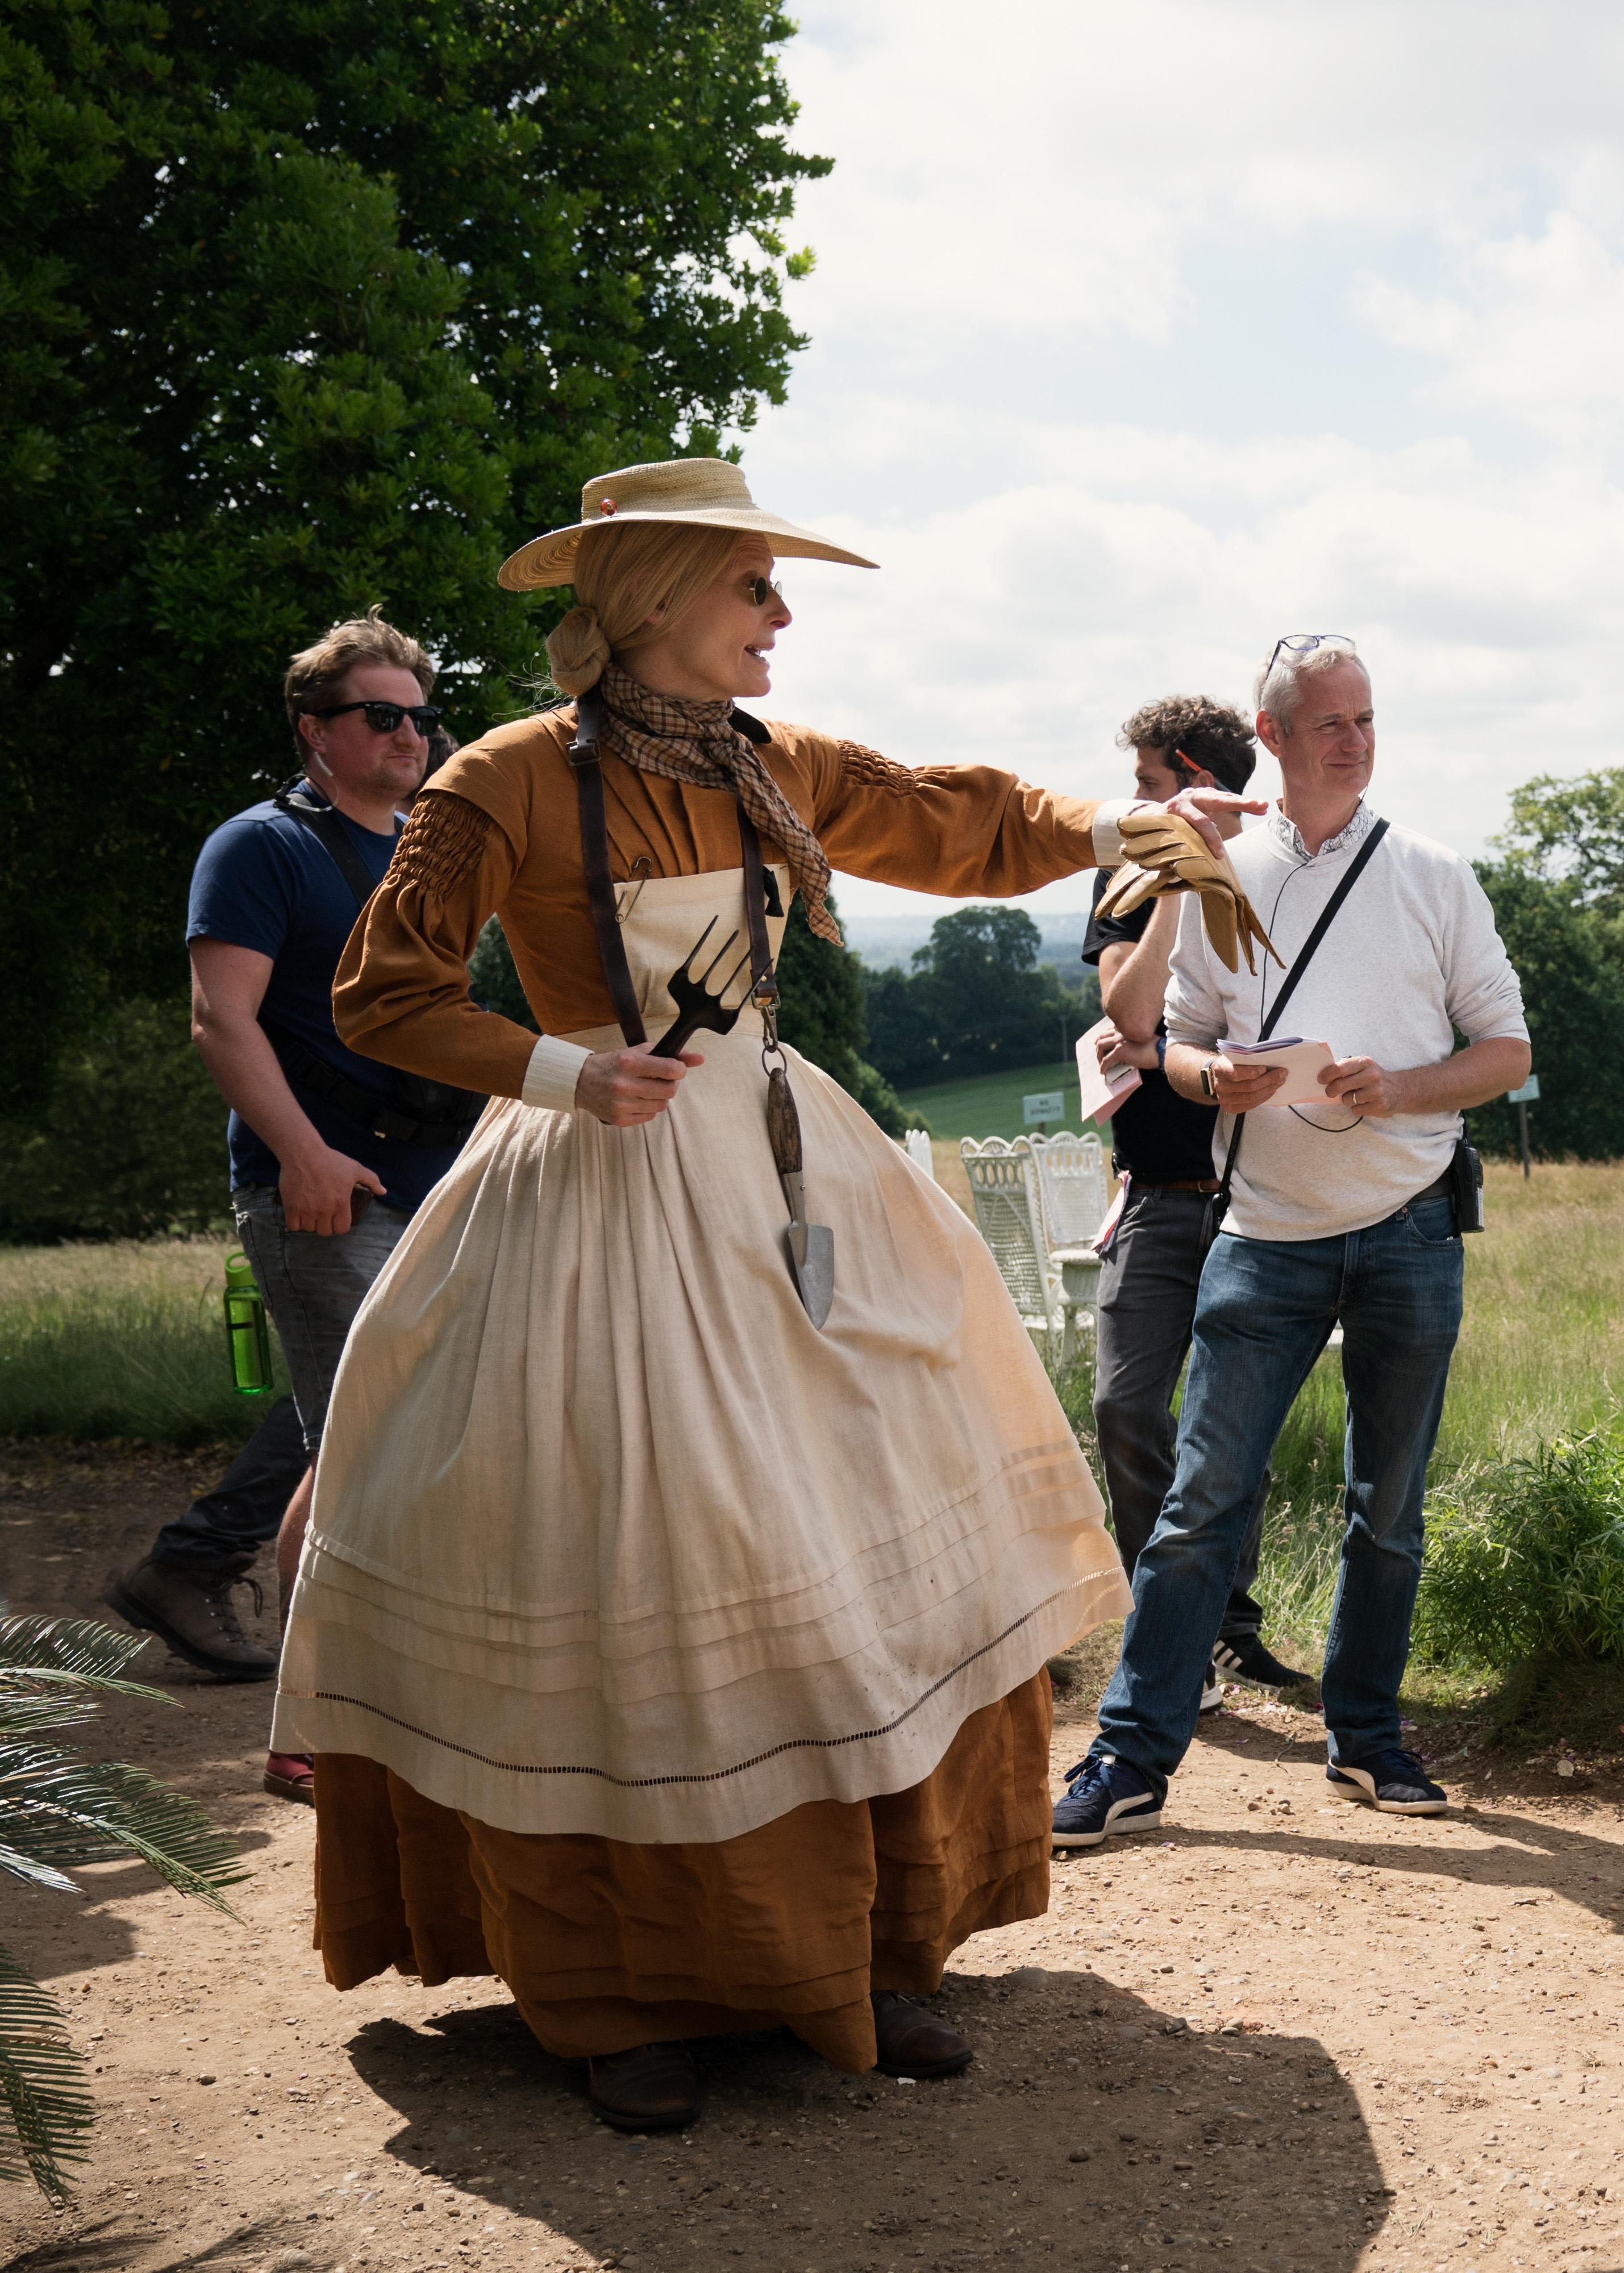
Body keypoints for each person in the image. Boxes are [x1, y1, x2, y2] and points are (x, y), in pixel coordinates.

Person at [273, 457, 1232, 2132]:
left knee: (854, 1521)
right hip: (599, 1186)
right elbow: (384, 990)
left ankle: (872, 1943)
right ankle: (623, 1988)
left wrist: (1114, 827)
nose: (781, 614)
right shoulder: (504, 778)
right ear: (655, 595)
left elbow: (944, 813)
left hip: (782, 1170)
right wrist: (565, 1069)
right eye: (754, 583)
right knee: (644, 1547)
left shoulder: (768, 763)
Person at [1055, 635, 1530, 1847]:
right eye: (1330, 722)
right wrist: (1208, 1075)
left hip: (1412, 1227)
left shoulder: (1434, 875)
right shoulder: (1220, 869)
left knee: (1389, 1508)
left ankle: (1365, 1738)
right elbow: (1158, 1035)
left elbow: (1507, 1051)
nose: (1356, 742)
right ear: (1270, 736)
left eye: (1366, 719)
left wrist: (1403, 1088)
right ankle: (1128, 1756)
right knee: (1199, 1504)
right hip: (1262, 1234)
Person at [107, 620, 481, 1696]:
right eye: (382, 715)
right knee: (365, 1441)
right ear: (316, 730)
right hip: (327, 1191)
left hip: (442, 1185)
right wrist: (303, 1155)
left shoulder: (425, 848)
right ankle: (325, 1715)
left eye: (421, 716)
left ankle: (353, 1672)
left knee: (398, 1421)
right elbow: (221, 1019)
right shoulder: (258, 847)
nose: (410, 734)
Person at [1078, 694, 1309, 1701]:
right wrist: (1174, 879)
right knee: (1125, 1404)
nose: (1133, 800)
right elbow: (1129, 1018)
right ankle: (1166, 1625)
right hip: (1158, 1195)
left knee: (1237, 1425)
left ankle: (1225, 1629)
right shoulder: (1128, 875)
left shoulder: (1279, 875)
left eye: (1147, 782)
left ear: (1195, 777)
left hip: (1259, 1198)